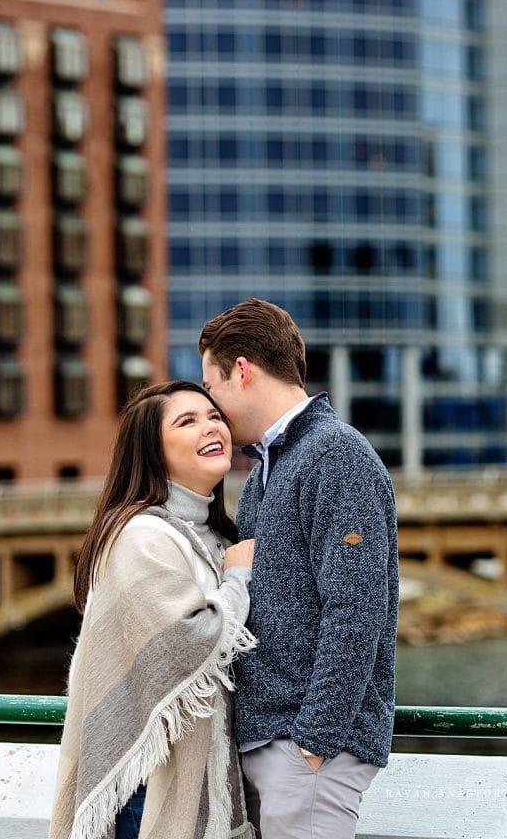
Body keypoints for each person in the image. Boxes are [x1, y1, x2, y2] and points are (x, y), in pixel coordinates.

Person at [199, 299, 399, 839]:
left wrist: (314, 741)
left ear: (241, 370)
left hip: (305, 753)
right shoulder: (270, 468)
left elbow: (357, 609)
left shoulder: (336, 455)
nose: (212, 408)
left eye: (211, 389)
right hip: (274, 744)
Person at [49, 381, 256, 839]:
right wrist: (238, 580)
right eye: (188, 421)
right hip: (148, 788)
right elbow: (191, 637)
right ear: (152, 452)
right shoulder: (141, 537)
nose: (211, 426)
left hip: (205, 777)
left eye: (213, 416)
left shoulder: (218, 535)